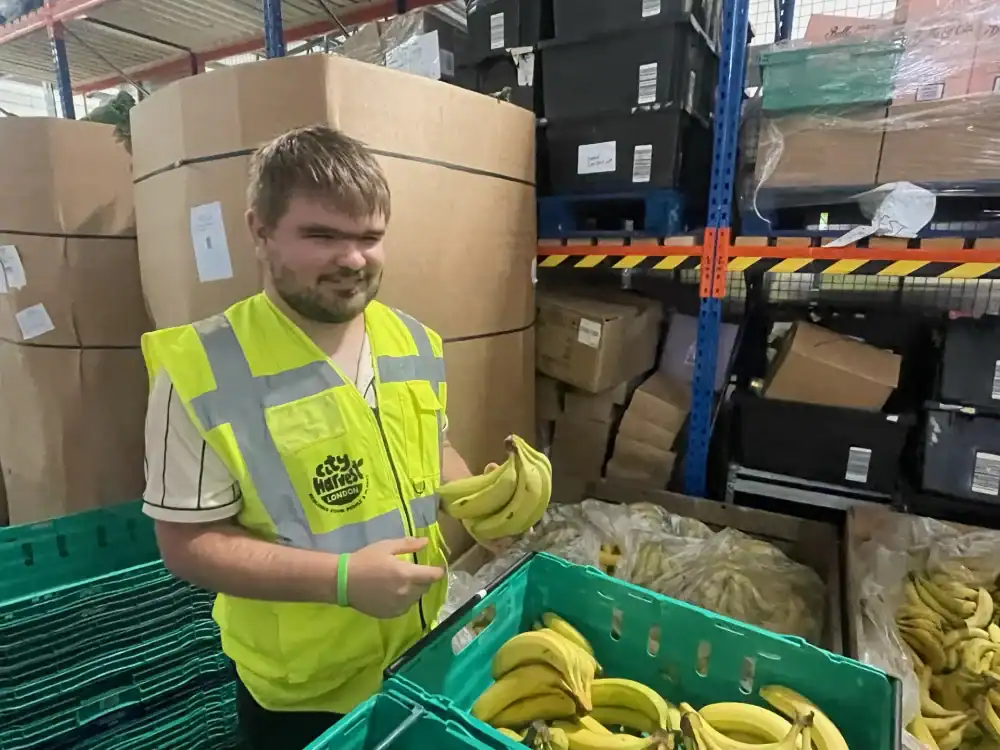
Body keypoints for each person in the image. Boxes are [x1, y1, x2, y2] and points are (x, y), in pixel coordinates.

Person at [141, 125, 480, 750]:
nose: (352, 259)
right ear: (260, 231)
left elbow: (432, 450)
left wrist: (482, 496)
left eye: (369, 237)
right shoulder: (200, 371)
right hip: (304, 695)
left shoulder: (415, 340)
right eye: (322, 235)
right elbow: (187, 543)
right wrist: (342, 580)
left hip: (424, 648)